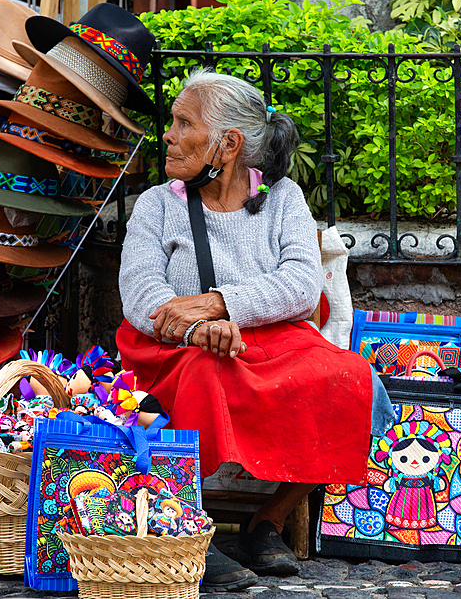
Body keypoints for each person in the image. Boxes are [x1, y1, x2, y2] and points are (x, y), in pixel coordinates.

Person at [117, 69, 394, 591]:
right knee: (204, 376)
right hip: (178, 349)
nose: (168, 135)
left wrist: (222, 304)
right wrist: (200, 332)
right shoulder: (157, 205)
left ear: (228, 143)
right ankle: (185, 529)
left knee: (356, 382)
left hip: (273, 339)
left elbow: (299, 285)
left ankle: (266, 519)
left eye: (182, 123)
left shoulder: (282, 198)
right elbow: (141, 296)